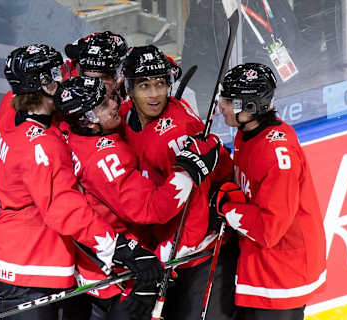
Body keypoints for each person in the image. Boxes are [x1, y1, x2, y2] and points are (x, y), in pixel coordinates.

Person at [0, 44, 163, 320]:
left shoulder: (9, 105)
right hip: (31, 263)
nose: (66, 77)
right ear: (46, 85)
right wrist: (116, 246)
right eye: (58, 73)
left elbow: (9, 164)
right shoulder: (43, 146)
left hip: (7, 250)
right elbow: (63, 207)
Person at [53, 75, 221, 320]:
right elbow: (153, 209)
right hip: (127, 272)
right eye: (103, 105)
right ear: (87, 121)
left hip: (99, 267)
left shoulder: (68, 131)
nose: (114, 105)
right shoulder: (104, 160)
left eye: (109, 98)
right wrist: (188, 171)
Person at [119, 44, 235, 319]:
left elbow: (195, 207)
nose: (155, 94)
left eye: (160, 84)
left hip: (200, 252)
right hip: (168, 244)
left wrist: (168, 256)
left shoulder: (175, 134)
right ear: (130, 89)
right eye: (145, 85)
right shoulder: (126, 114)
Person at [214, 62, 326, 320]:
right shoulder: (247, 133)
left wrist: (224, 206)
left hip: (284, 271)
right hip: (263, 263)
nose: (222, 105)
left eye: (230, 100)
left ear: (251, 106)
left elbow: (269, 228)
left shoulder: (276, 154)